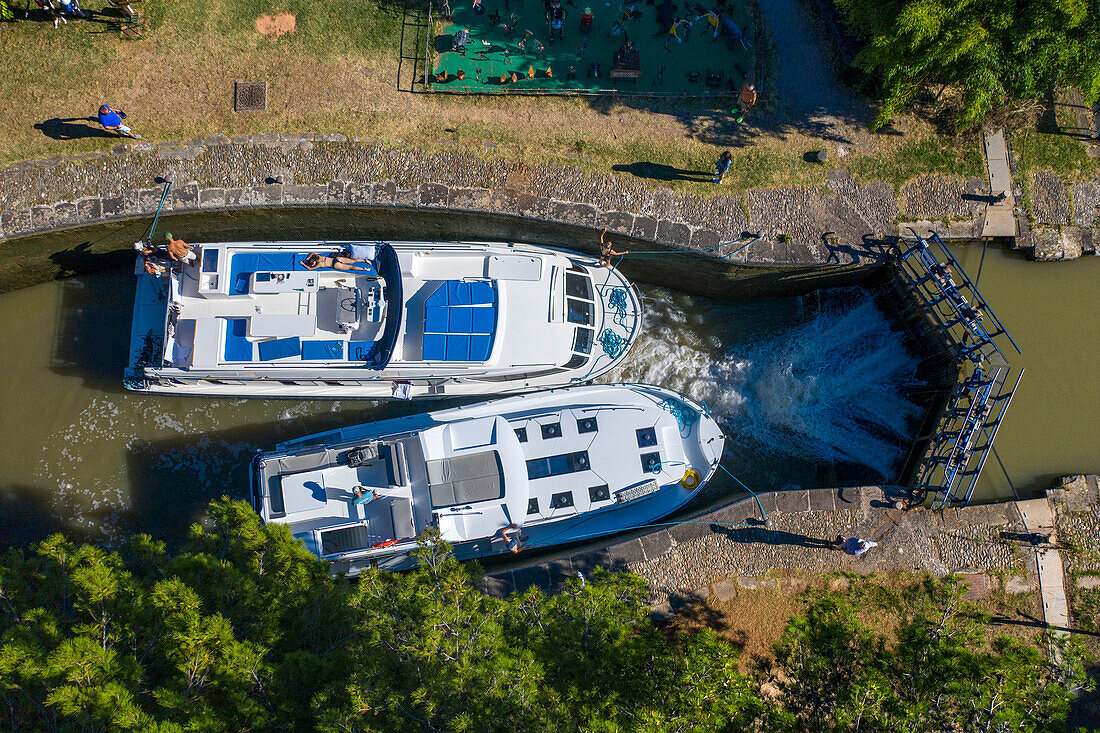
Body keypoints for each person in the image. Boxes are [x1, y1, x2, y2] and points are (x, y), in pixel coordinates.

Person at [300, 252, 374, 271]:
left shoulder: (318, 257)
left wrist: (307, 259)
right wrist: (303, 264)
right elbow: (309, 268)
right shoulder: (318, 265)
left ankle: (364, 260)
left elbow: (312, 253)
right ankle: (364, 269)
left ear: (313, 260)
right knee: (350, 267)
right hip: (334, 265)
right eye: (312, 264)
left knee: (351, 261)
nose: (312, 263)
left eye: (311, 262)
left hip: (335, 259)